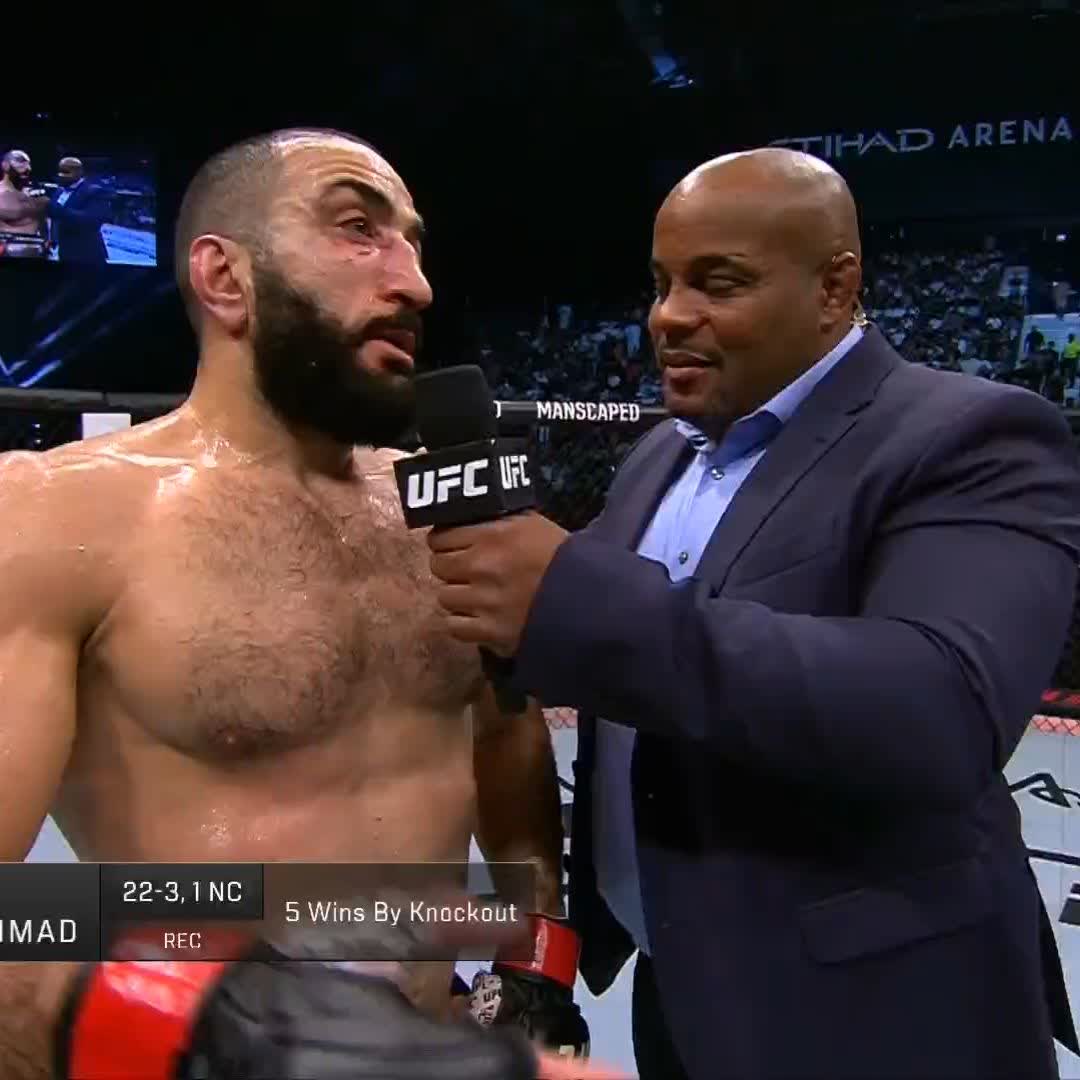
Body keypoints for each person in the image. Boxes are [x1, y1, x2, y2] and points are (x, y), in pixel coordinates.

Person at [427, 147, 1080, 1079]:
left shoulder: (970, 435)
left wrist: (566, 590)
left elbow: (941, 709)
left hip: (878, 1016)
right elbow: (585, 650)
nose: (668, 316)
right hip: (679, 993)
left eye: (717, 282)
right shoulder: (661, 457)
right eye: (661, 283)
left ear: (833, 287)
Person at [0, 128, 616, 1079]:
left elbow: (504, 737)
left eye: (412, 242)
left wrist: (533, 961)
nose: (415, 284)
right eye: (358, 229)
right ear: (225, 278)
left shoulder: (446, 513)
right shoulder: (57, 515)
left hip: (432, 1047)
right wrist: (228, 1030)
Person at [47, 156, 109, 264]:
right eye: (60, 171)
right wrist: (53, 238)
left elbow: (93, 219)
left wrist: (62, 211)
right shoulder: (59, 191)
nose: (61, 175)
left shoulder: (94, 191)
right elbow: (55, 216)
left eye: (66, 172)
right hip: (65, 250)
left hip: (87, 252)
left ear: (79, 172)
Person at [0, 149, 49, 258]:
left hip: (36, 255)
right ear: (5, 165)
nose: (27, 168)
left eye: (28, 164)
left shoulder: (37, 195)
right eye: (21, 162)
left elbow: (44, 226)